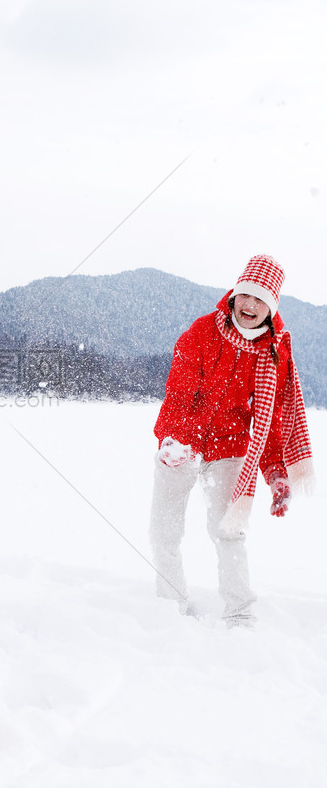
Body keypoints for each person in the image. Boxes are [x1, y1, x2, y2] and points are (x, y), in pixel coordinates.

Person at [149, 254, 313, 627]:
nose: (250, 305)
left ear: (271, 306)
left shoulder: (273, 351)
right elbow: (179, 392)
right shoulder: (202, 332)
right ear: (235, 295)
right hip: (181, 445)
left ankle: (239, 613)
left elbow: (269, 419)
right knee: (165, 530)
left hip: (229, 449)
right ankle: (170, 607)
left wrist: (275, 472)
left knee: (229, 530)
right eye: (245, 296)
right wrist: (176, 441)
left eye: (260, 299)